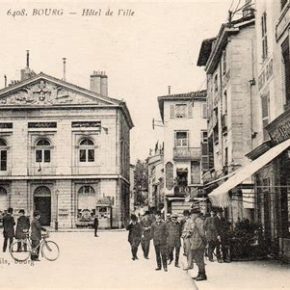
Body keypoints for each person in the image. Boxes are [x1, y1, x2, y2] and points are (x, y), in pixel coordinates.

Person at [186, 207, 207, 281]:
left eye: (192, 214)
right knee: (197, 259)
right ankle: (200, 273)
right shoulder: (195, 220)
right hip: (195, 243)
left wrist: (204, 242)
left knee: (199, 259)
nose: (191, 215)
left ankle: (203, 275)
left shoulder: (198, 221)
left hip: (199, 243)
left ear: (196, 214)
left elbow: (202, 233)